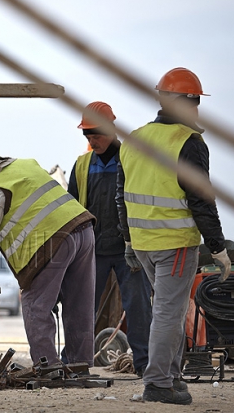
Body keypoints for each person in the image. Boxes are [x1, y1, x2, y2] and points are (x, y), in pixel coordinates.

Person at [117, 67, 230, 405]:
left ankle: (171, 377)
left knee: (170, 310)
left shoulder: (134, 138)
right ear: (188, 102)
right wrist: (218, 247)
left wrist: (127, 240)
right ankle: (158, 384)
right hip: (175, 243)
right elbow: (201, 201)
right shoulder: (188, 142)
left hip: (143, 244)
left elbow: (119, 195)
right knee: (169, 312)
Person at [0, 149, 96, 367]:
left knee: (35, 304)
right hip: (83, 230)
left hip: (51, 240)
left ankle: (48, 367)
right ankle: (80, 364)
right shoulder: (23, 165)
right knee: (79, 306)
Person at [68, 101, 152, 375]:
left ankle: (145, 365)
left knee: (138, 309)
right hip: (92, 250)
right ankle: (74, 363)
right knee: (82, 308)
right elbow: (71, 208)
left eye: (97, 134)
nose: (93, 141)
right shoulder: (82, 165)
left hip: (131, 248)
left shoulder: (132, 159)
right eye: (88, 136)